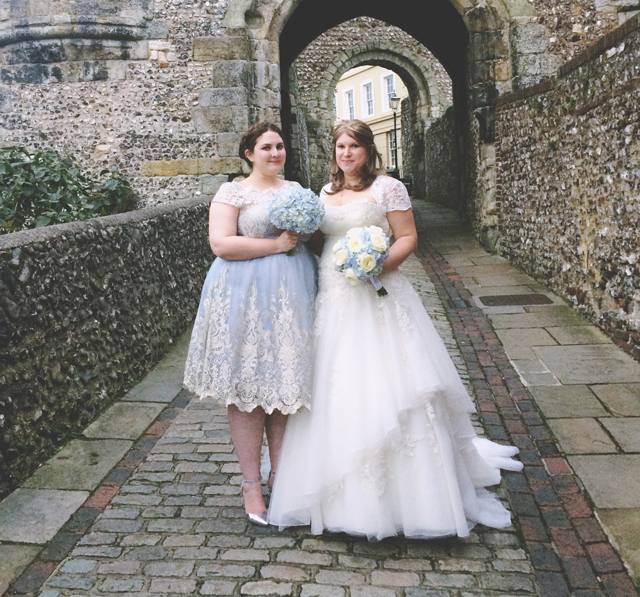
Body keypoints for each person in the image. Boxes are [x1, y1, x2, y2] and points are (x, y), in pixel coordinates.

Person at [268, 120, 523, 540]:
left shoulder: (388, 188)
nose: (346, 153)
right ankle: (335, 484)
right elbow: (319, 241)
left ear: (369, 151)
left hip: (379, 290)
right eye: (340, 146)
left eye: (354, 146)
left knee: (395, 379)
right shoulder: (325, 193)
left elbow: (407, 237)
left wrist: (377, 264)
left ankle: (418, 494)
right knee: (338, 378)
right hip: (335, 294)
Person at [183, 122, 317, 526]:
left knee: (284, 384)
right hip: (242, 293)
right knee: (246, 388)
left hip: (290, 295)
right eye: (266, 147)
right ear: (249, 153)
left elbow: (313, 238)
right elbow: (221, 244)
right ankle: (250, 483)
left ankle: (282, 476)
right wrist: (275, 245)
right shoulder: (233, 192)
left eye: (279, 147)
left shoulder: (296, 192)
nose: (275, 153)